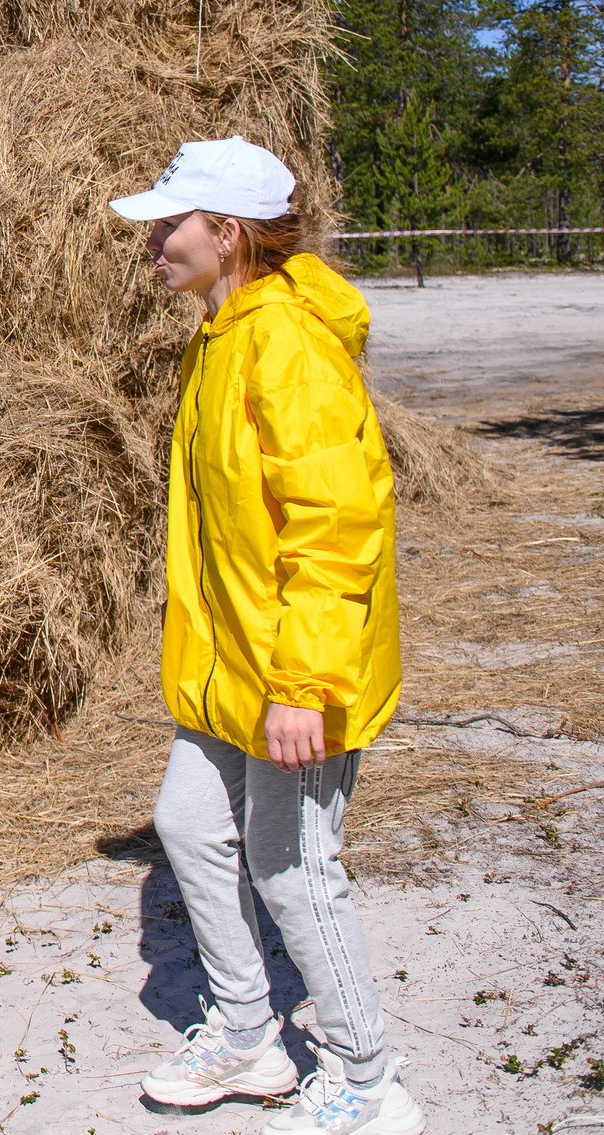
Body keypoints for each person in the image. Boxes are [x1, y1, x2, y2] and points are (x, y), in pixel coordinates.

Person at [110, 138, 423, 1135]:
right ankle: (248, 1037)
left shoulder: (286, 342)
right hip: (233, 663)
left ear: (227, 233)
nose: (154, 240)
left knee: (294, 863)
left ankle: (369, 1084)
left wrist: (302, 682)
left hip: (299, 668)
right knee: (195, 827)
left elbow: (338, 524)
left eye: (171, 224)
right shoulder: (223, 332)